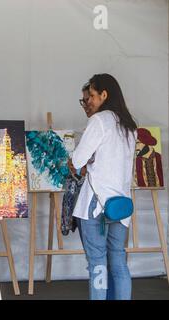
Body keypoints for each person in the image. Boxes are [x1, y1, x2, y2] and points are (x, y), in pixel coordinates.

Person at [68, 74, 137, 300]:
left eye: (92, 97)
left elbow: (78, 160)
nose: (89, 102)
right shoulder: (129, 125)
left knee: (97, 263)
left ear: (104, 94)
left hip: (95, 206)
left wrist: (78, 162)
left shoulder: (99, 120)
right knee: (118, 260)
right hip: (121, 206)